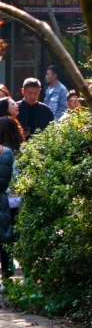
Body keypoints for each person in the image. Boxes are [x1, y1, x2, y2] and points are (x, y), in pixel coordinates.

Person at [0, 115, 20, 278]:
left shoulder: (3, 153)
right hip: (19, 201)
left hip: (4, 202)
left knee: (5, 240)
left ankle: (7, 273)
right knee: (18, 238)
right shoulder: (21, 151)